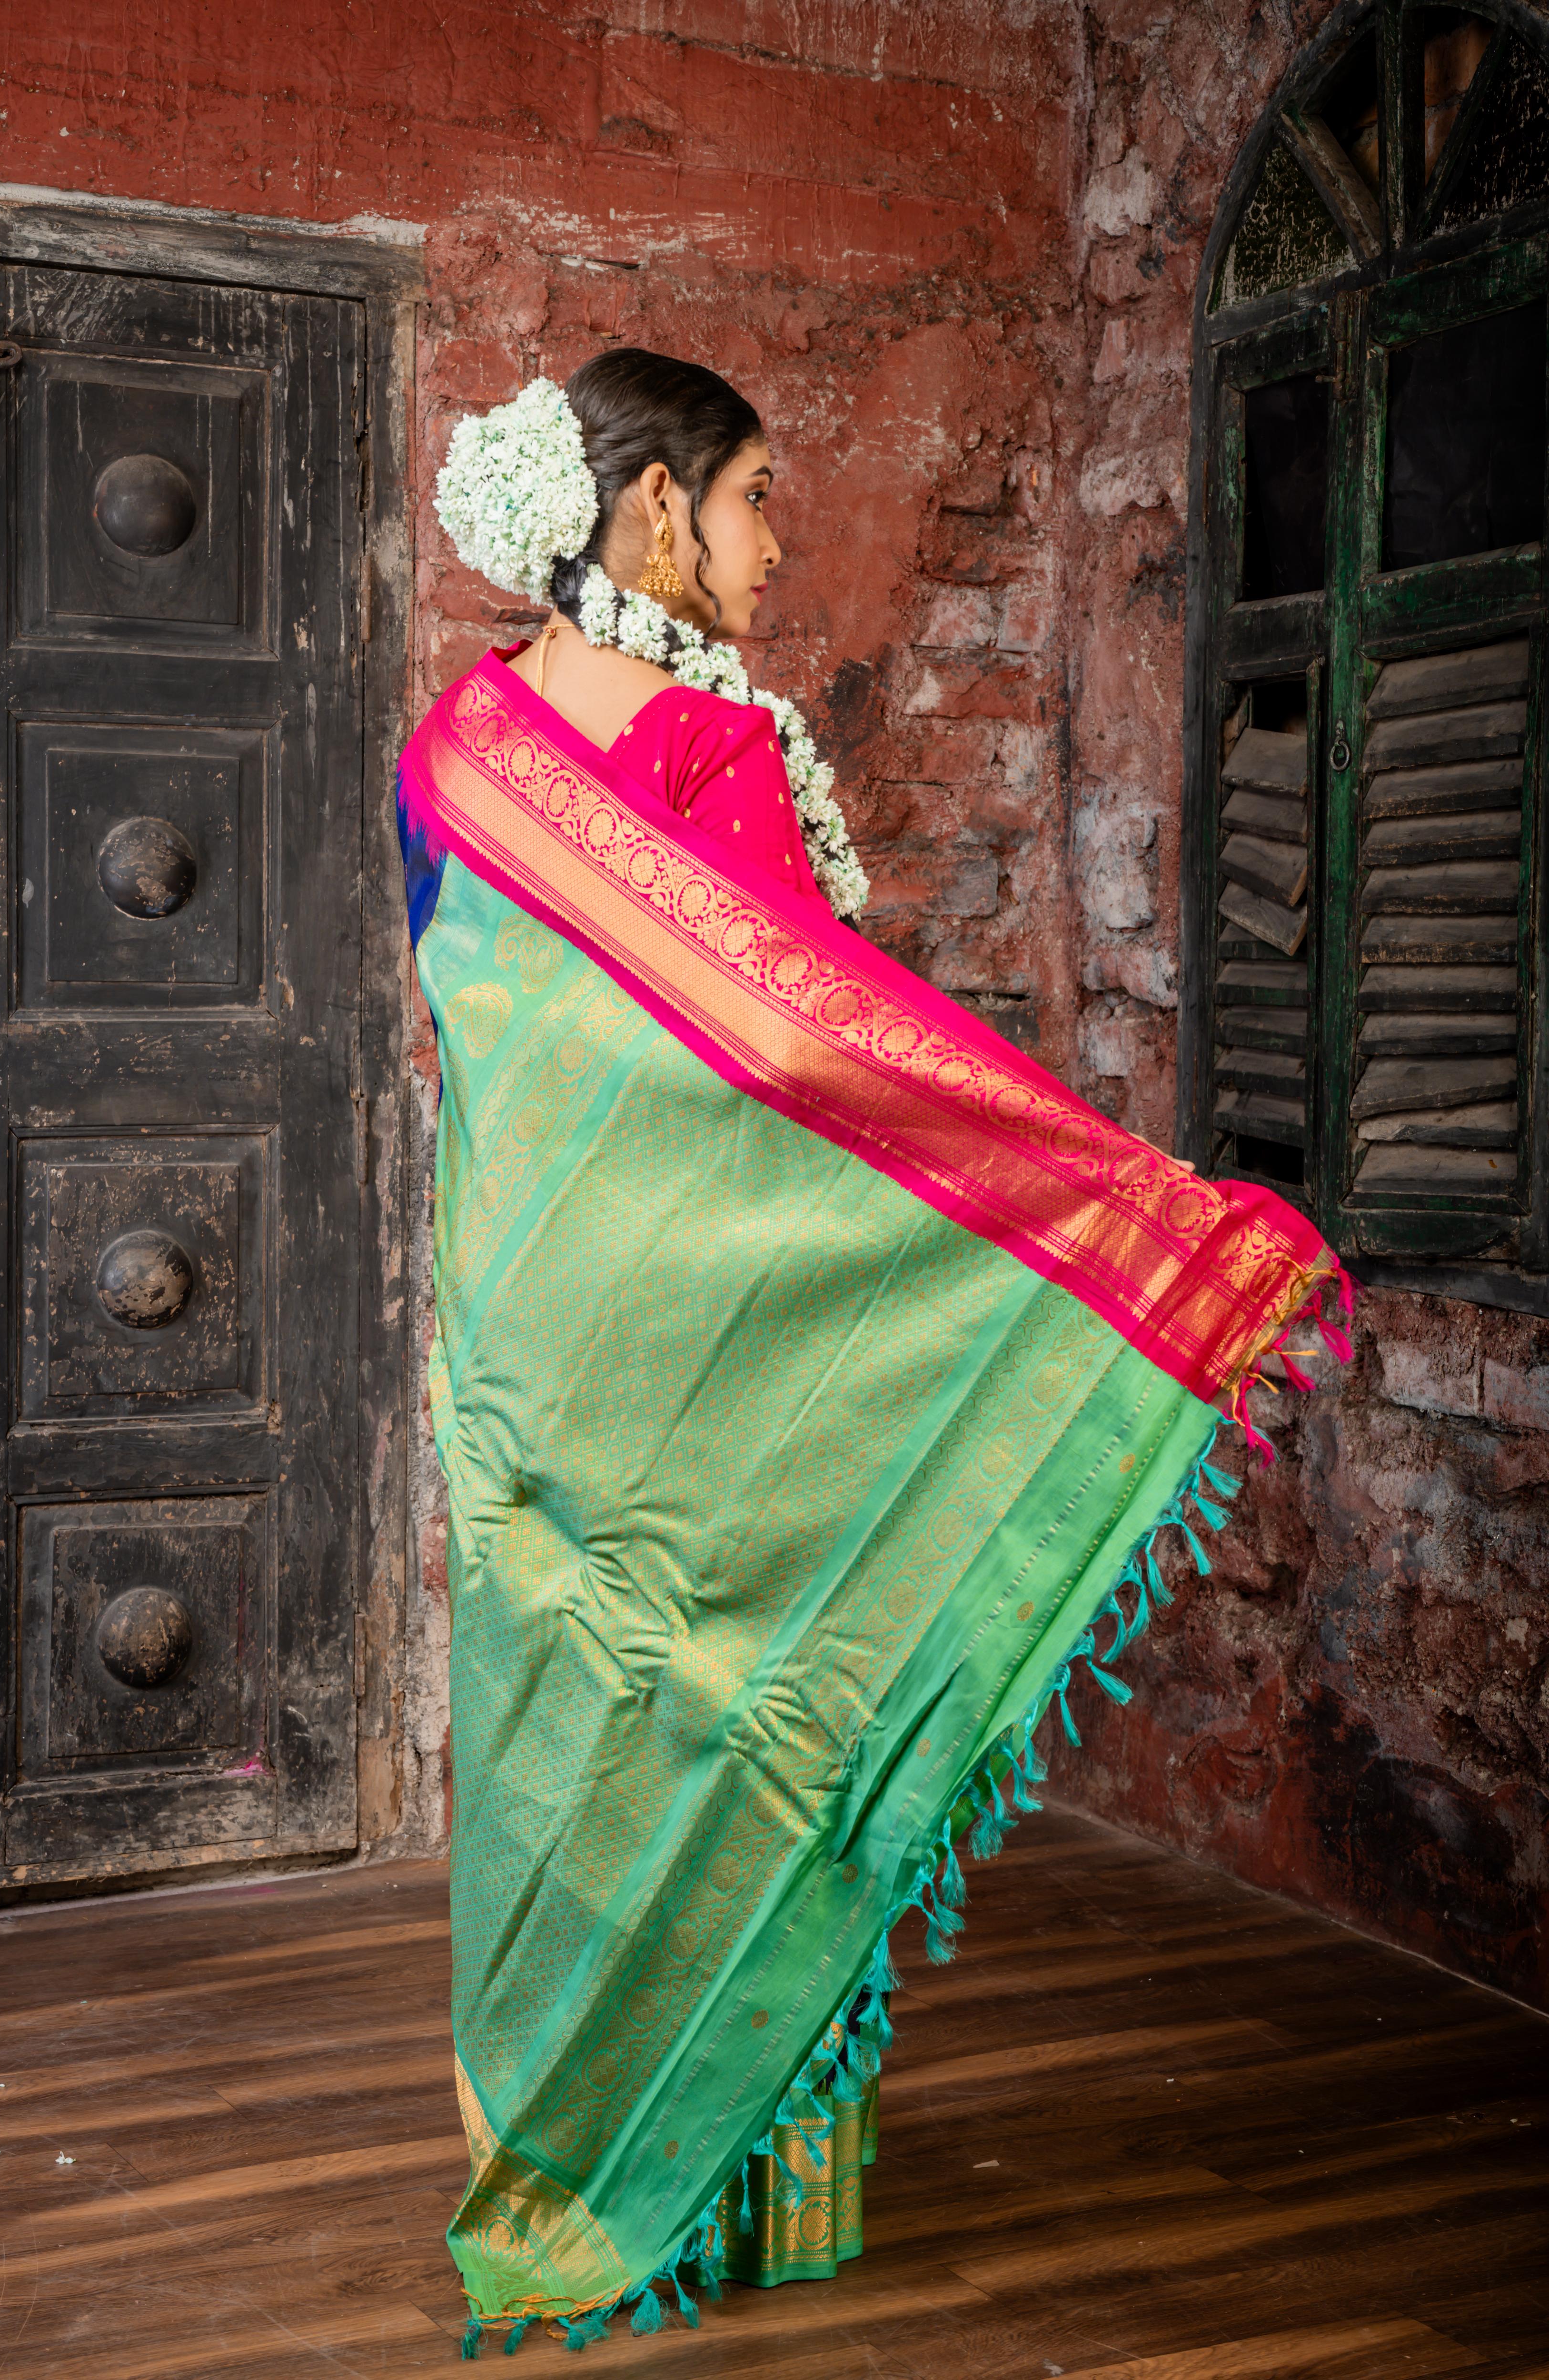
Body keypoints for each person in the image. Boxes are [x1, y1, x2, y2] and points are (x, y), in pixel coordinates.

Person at [397, 348, 1347, 2357]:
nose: (772, 547)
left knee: (565, 1708)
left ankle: (552, 2145)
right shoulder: (714, 740)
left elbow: (491, 1039)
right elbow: (827, 1074)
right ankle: (735, 2189)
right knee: (752, 1690)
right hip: (719, 1331)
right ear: (654, 508)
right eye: (754, 499)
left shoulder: (459, 750)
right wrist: (1110, 1197)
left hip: (530, 1319)